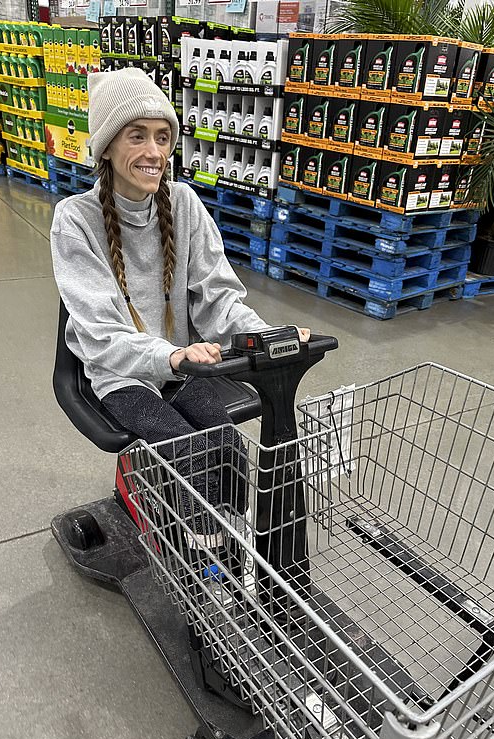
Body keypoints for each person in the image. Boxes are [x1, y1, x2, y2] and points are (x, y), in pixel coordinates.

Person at [50, 68, 308, 567]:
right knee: (183, 449)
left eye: (163, 137)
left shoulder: (184, 204)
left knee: (228, 447)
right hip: (121, 372)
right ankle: (202, 570)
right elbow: (101, 336)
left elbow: (218, 298)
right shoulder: (75, 220)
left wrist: (265, 335)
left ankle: (226, 545)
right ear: (106, 145)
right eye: (137, 135)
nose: (154, 152)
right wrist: (171, 354)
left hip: (184, 364)